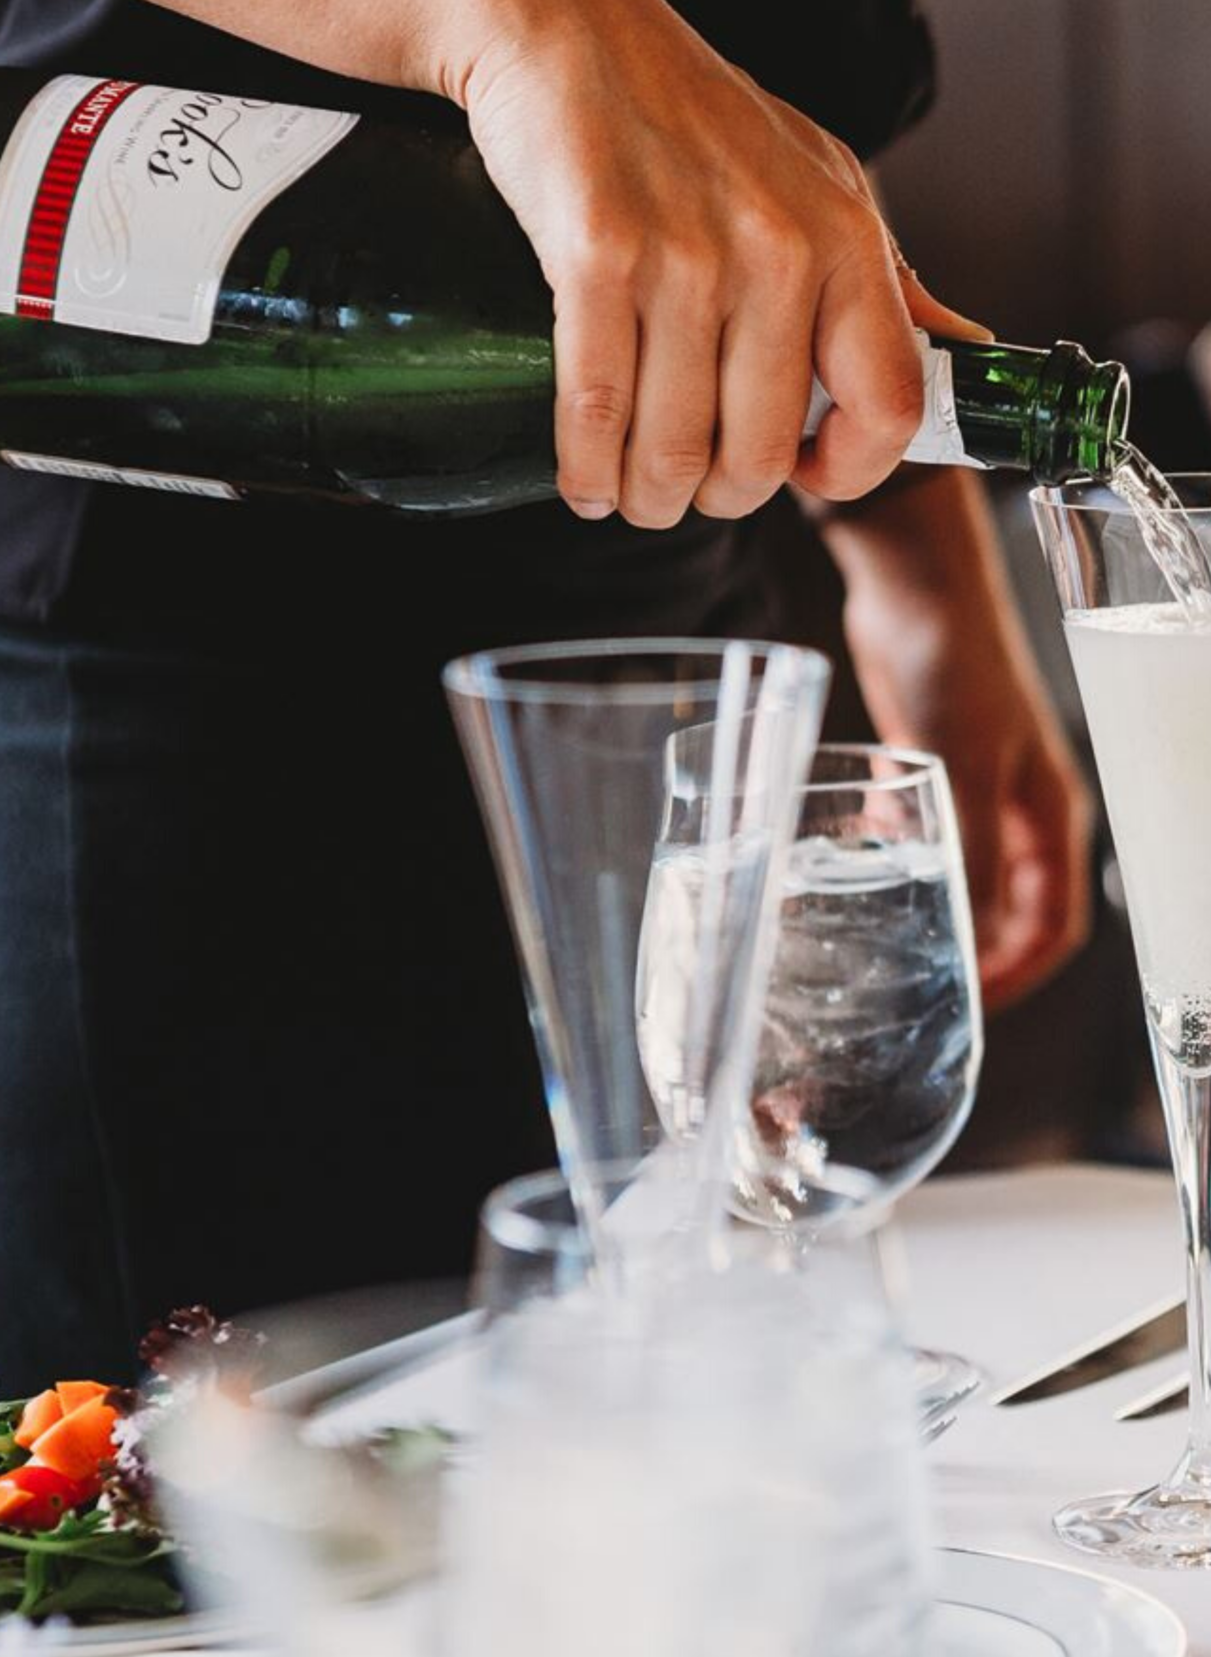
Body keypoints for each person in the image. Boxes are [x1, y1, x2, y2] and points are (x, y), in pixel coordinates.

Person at [0, 0, 1091, 1389]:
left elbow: (760, 138)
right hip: (206, 701)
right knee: (250, 1549)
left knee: (654, 1491)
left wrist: (924, 571)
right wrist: (519, 21)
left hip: (678, 676)